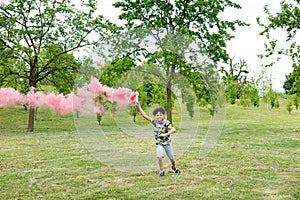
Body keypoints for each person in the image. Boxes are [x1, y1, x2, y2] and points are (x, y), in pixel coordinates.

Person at [135, 101, 180, 176]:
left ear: (163, 115)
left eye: (160, 115)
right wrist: (139, 106)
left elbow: (173, 129)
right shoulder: (155, 122)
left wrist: (165, 134)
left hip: (167, 143)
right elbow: (144, 115)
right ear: (155, 116)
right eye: (157, 115)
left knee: (172, 158)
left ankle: (174, 167)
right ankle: (161, 170)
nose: (159, 116)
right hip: (159, 143)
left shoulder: (166, 123)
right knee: (159, 156)